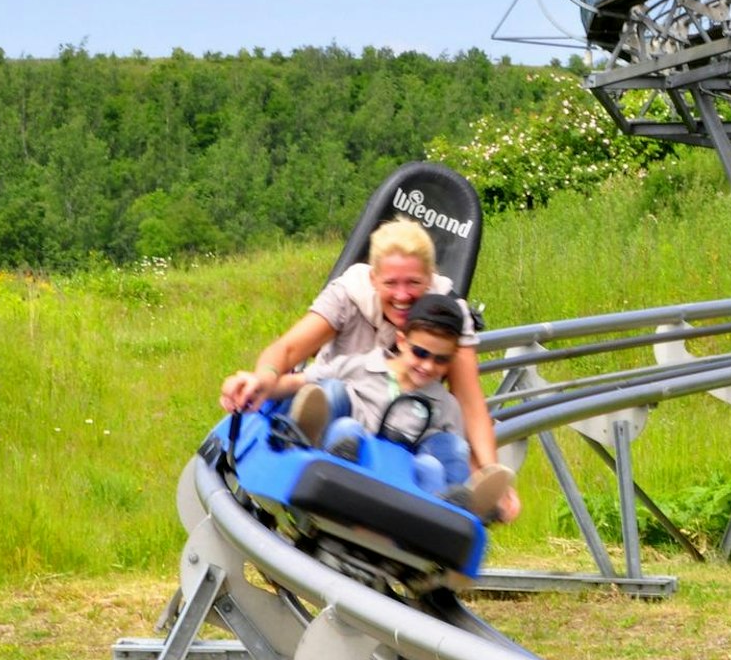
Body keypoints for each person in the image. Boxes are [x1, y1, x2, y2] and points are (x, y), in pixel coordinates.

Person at [218, 219, 515, 514]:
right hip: (347, 411)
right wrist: (263, 380)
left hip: (406, 433)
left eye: (414, 283)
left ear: (430, 279)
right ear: (374, 279)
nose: (402, 296)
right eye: (391, 283)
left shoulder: (447, 319)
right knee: (331, 392)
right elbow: (289, 350)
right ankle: (314, 446)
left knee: (449, 448)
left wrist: (487, 469)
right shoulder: (348, 297)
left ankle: (454, 504)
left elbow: (469, 401)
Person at [287, 293, 518, 523]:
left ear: (452, 358)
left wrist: (484, 479)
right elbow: (301, 381)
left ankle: (455, 510)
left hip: (404, 481)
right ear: (401, 341)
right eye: (420, 353)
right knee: (341, 416)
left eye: (441, 360)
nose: (428, 366)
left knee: (437, 461)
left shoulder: (445, 405)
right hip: (357, 455)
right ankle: (315, 451)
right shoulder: (361, 367)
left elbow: (457, 454)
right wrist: (263, 382)